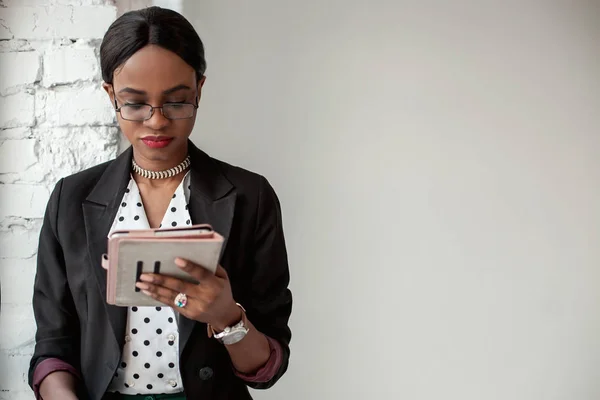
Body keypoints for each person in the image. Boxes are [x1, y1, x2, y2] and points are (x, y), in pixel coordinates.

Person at [28, 7, 292, 400]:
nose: (156, 121)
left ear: (199, 90)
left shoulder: (251, 196)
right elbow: (52, 346)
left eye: (177, 102)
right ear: (110, 95)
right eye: (135, 104)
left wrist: (226, 317)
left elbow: (267, 367)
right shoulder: (72, 199)